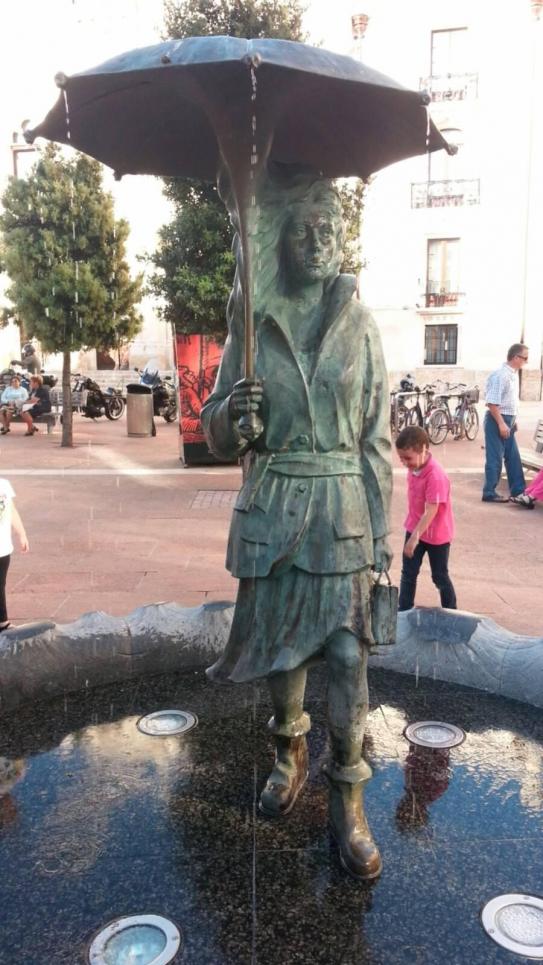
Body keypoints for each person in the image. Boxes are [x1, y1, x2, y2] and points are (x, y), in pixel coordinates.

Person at [201, 167, 392, 880]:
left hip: (341, 513)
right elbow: (216, 428)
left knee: (347, 659)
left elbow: (375, 436)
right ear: (279, 242)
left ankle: (348, 796)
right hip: (274, 511)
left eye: (328, 229)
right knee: (282, 663)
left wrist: (379, 536)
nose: (317, 240)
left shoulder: (360, 322)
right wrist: (235, 418)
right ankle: (289, 753)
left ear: (342, 240)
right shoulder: (249, 326)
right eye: (303, 229)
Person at [395, 425, 457, 612]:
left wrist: (414, 538)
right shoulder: (415, 467)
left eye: (408, 458)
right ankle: (404, 610)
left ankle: (452, 611)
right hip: (415, 526)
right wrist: (413, 534)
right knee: (408, 573)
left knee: (439, 576)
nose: (405, 463)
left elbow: (431, 510)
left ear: (423, 450)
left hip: (437, 535)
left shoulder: (436, 475)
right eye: (401, 458)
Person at [482, 344, 528, 503]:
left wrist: (513, 421)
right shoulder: (500, 375)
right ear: (516, 357)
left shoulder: (512, 375)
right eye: (525, 358)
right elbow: (492, 403)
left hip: (507, 420)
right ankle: (489, 492)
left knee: (512, 456)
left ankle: (518, 491)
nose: (526, 362)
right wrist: (502, 423)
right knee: (495, 457)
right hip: (497, 420)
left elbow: (509, 401)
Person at [0, 478, 29, 631]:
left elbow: (11, 510)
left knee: (0, 584)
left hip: (3, 547)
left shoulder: (3, 484)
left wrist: (22, 534)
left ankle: (2, 622)